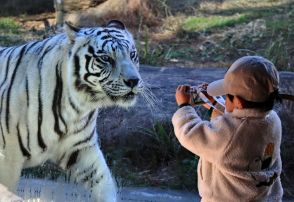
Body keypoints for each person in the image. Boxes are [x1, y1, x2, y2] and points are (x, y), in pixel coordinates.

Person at [172, 56, 283, 202]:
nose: (224, 98)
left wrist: (184, 107)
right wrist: (215, 104)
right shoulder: (272, 120)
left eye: (227, 96)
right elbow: (240, 122)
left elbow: (190, 133)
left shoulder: (230, 135)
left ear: (238, 102)